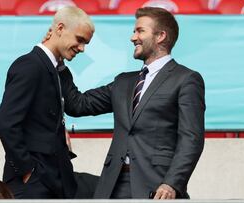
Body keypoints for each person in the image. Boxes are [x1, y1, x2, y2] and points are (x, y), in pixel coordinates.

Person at [60, 7, 205, 199]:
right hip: (112, 186)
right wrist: (58, 61)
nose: (133, 37)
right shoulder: (123, 82)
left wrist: (172, 183)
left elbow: (191, 139)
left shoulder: (186, 79)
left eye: (140, 31)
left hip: (157, 186)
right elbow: (78, 104)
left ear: (161, 36)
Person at [0, 6, 95, 199]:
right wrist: (27, 169)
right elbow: (7, 122)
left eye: (86, 43)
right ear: (59, 28)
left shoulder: (54, 68)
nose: (82, 48)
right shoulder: (30, 65)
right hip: (33, 182)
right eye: (79, 39)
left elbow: (75, 103)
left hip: (54, 179)